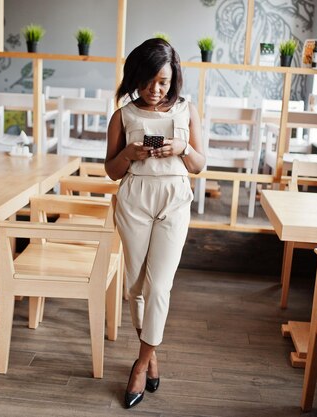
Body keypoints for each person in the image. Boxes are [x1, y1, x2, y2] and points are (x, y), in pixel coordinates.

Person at [105, 38, 205, 409]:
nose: (154, 89)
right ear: (135, 78)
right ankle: (152, 353)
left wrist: (183, 149)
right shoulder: (123, 115)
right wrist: (129, 154)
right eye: (147, 82)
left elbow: (199, 165)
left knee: (160, 286)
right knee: (136, 288)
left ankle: (140, 364)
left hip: (174, 200)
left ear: (173, 78)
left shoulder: (187, 110)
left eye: (162, 82)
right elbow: (110, 171)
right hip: (134, 200)